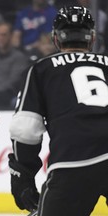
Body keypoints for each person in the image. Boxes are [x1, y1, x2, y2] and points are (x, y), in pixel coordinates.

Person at [8, 6, 108, 216]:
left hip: (74, 160)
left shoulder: (42, 69)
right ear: (91, 39)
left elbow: (25, 129)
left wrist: (22, 177)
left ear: (56, 39)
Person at [0, 22, 31, 110]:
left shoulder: (19, 57)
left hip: (9, 96)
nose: (0, 38)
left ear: (10, 36)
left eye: (4, 35)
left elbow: (13, 82)